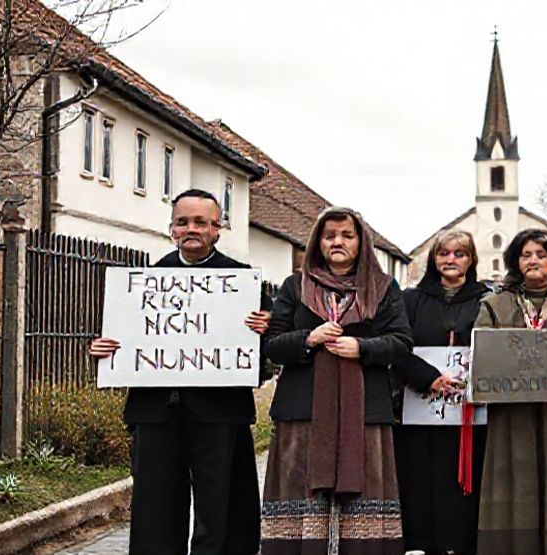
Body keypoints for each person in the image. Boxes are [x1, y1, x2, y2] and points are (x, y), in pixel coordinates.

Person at [89, 188, 271, 555]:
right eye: (183, 222)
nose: (191, 229)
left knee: (220, 506)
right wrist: (101, 350)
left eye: (201, 222)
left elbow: (264, 358)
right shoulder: (145, 281)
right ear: (171, 228)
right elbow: (122, 340)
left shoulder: (242, 282)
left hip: (219, 413)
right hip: (156, 412)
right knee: (155, 506)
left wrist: (263, 334)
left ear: (217, 229)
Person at [260, 207, 412, 555]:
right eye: (329, 236)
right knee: (301, 492)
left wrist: (362, 347)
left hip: (365, 412)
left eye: (346, 235)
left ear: (361, 242)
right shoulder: (295, 287)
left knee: (364, 494)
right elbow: (273, 345)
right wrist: (309, 339)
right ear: (318, 242)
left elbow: (402, 342)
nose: (337, 242)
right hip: (304, 411)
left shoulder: (383, 289)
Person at [474, 228, 547, 555]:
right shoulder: (494, 304)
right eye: (526, 255)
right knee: (514, 478)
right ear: (515, 261)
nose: (534, 261)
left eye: (541, 254)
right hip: (512, 412)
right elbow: (482, 353)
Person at [393, 230, 490, 555]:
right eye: (443, 253)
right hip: (419, 413)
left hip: (470, 415)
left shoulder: (487, 301)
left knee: (464, 486)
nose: (451, 260)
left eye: (459, 254)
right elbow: (396, 346)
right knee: (420, 484)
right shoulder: (410, 300)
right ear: (434, 259)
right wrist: (428, 378)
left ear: (471, 260)